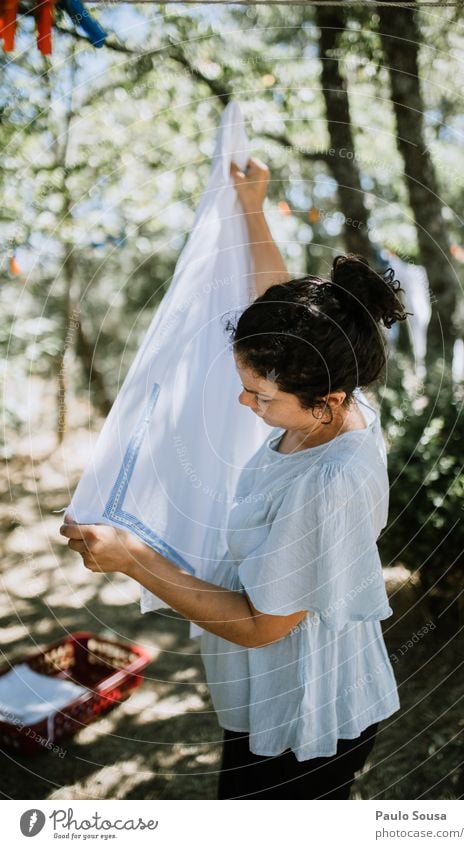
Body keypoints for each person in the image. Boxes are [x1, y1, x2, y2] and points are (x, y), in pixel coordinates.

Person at [59, 157, 408, 800]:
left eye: (259, 395)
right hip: (276, 693)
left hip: (306, 713)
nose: (246, 406)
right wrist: (252, 206)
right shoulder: (339, 397)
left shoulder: (325, 483)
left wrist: (134, 558)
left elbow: (261, 624)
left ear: (326, 400)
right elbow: (285, 309)